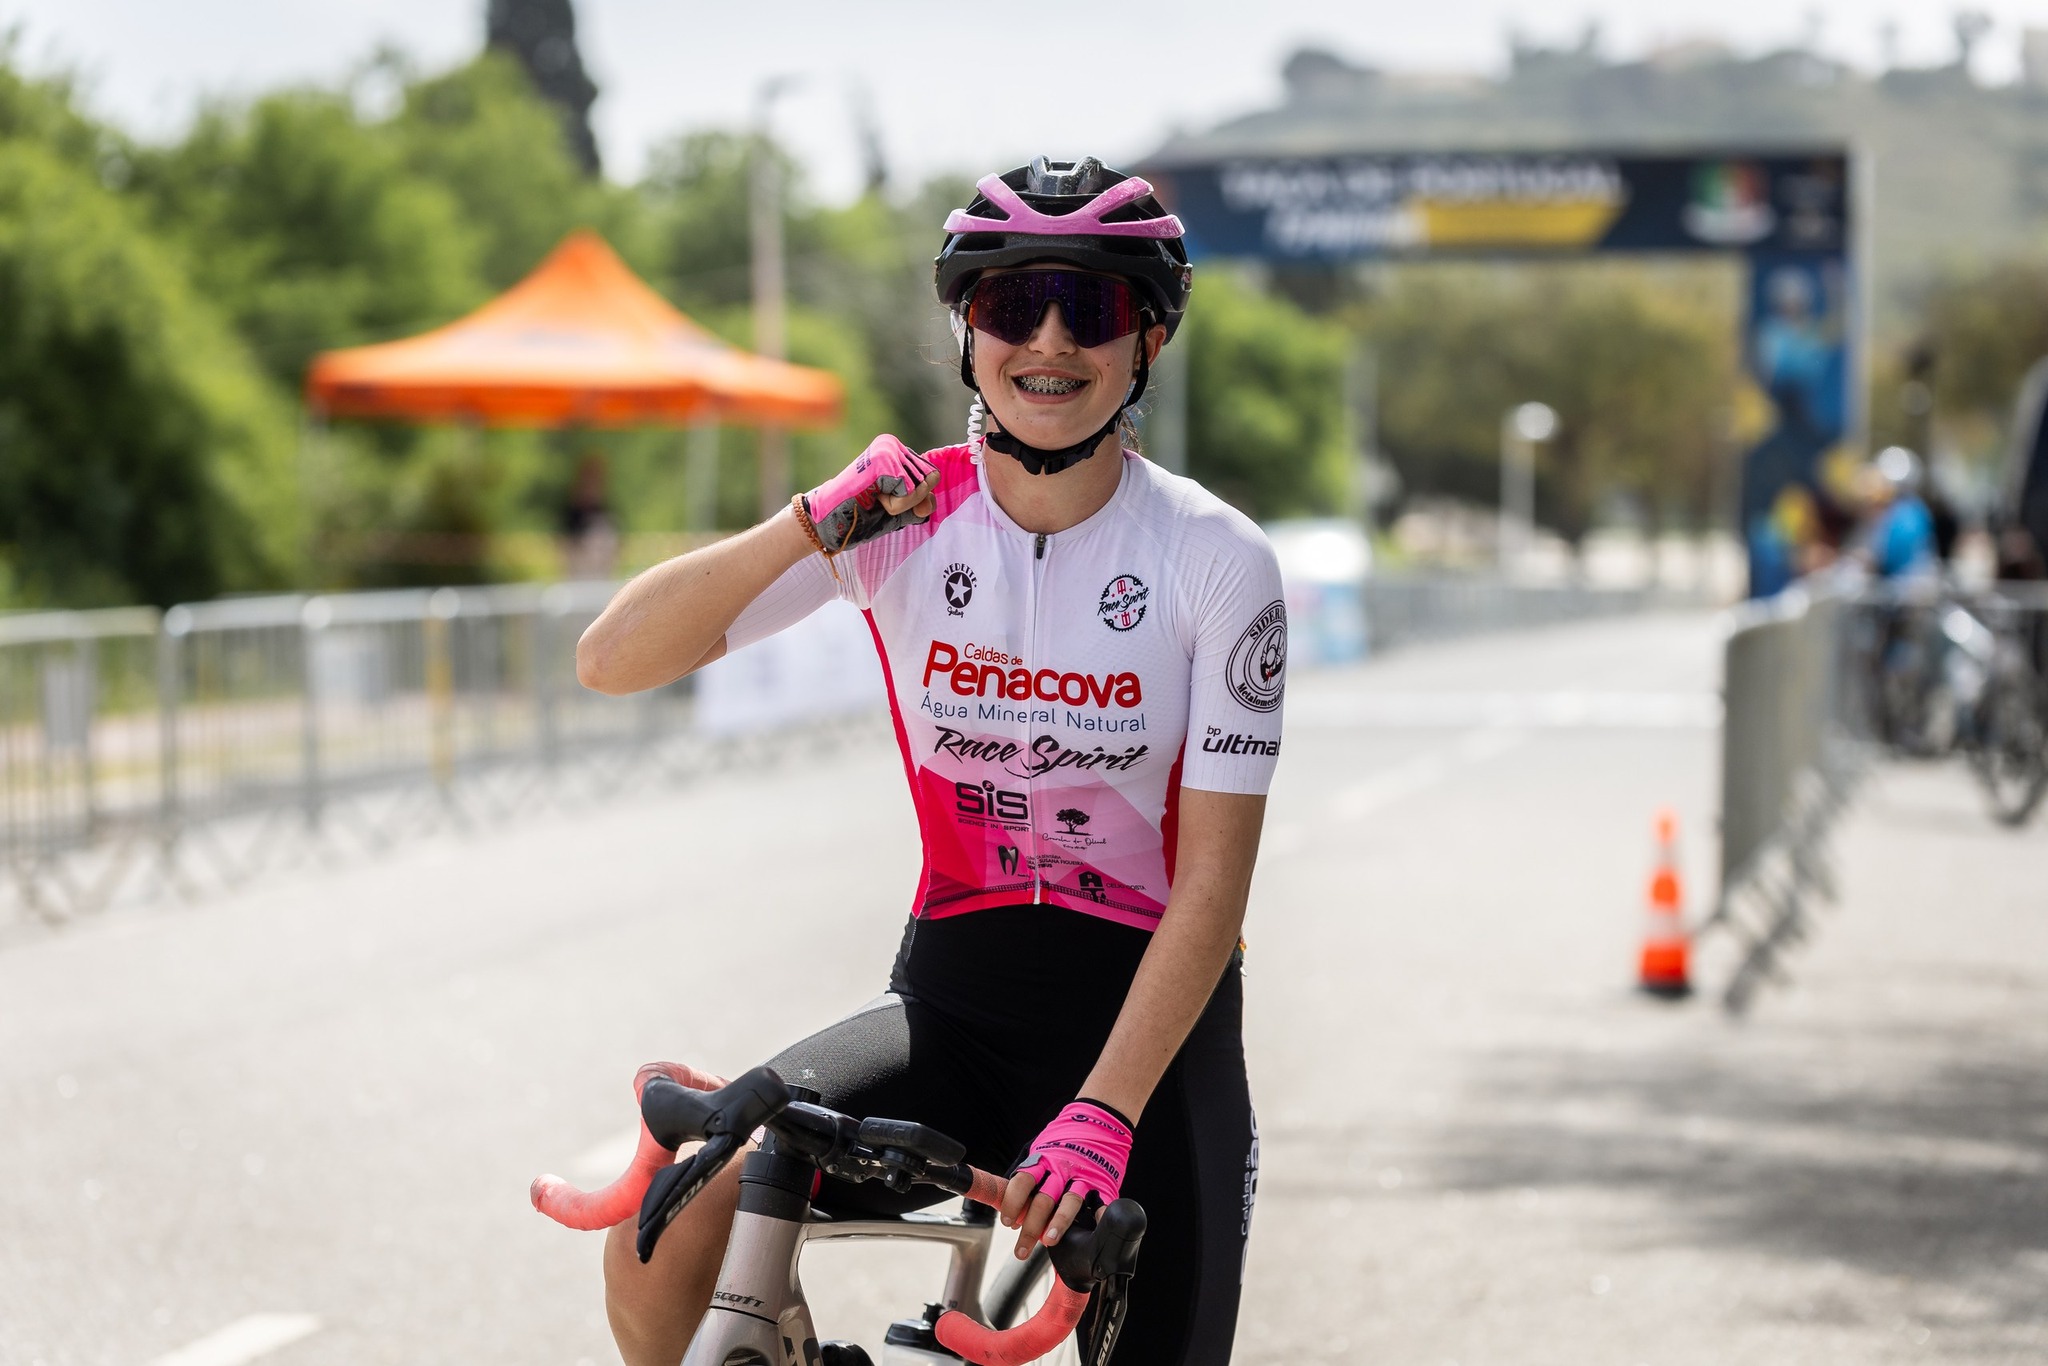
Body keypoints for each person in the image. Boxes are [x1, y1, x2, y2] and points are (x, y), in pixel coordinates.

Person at [577, 157, 1285, 1366]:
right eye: (1013, 306)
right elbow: (611, 659)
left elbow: (1212, 887)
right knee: (674, 1217)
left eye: (1092, 307)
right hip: (952, 1005)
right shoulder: (898, 523)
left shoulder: (1214, 560)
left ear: (1146, 341)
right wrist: (809, 521)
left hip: (1146, 1044)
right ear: (968, 330)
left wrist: (1104, 1111)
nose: (1049, 341)